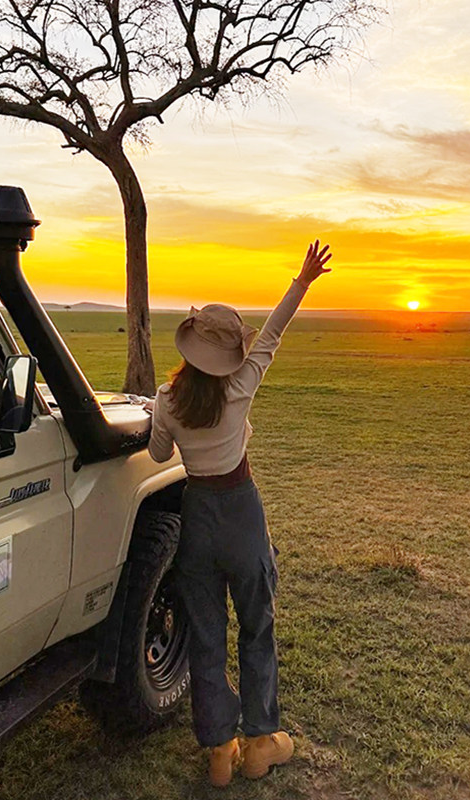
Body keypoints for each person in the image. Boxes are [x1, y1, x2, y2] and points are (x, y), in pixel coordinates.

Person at [147, 240, 332, 787]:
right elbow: (272, 335)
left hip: (197, 514)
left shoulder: (167, 398)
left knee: (206, 633)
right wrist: (301, 281)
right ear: (230, 356)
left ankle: (218, 751)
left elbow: (159, 456)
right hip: (243, 512)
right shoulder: (241, 387)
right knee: (257, 626)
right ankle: (259, 743)